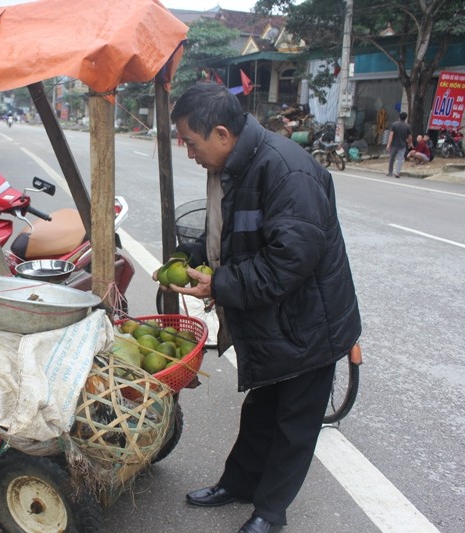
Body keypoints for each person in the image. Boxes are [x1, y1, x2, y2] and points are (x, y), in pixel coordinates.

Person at [160, 82, 361, 533]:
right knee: (261, 409)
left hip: (311, 324)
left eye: (191, 143)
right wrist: (196, 256)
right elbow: (234, 233)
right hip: (275, 321)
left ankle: (271, 512)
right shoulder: (233, 167)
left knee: (294, 423)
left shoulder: (286, 172)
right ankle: (239, 483)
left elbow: (290, 261)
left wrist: (222, 282)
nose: (189, 154)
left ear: (222, 134)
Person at [385, 111, 412, 178]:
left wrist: (388, 144)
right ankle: (397, 173)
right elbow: (410, 137)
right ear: (406, 118)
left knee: (391, 158)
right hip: (402, 145)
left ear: (399, 117)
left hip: (394, 145)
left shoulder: (394, 124)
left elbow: (391, 135)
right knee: (400, 159)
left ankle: (390, 172)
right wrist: (410, 143)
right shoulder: (407, 126)